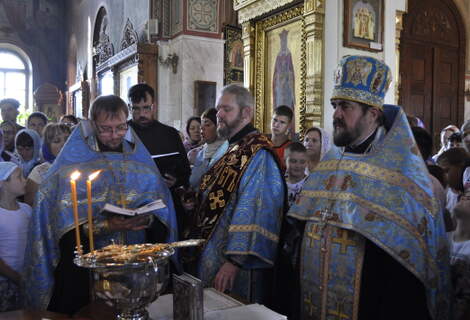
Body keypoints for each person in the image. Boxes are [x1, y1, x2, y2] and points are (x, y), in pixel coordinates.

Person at [286, 56, 450, 319]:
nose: (336, 114)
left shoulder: (403, 177)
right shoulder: (329, 165)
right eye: (335, 105)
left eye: (345, 107)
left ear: (372, 114)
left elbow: (408, 266)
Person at [23, 95, 178, 315]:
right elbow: (57, 225)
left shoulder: (140, 161)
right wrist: (107, 226)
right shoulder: (72, 166)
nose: (114, 135)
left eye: (121, 127)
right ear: (92, 124)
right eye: (106, 128)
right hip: (87, 272)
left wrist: (148, 218)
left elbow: (163, 211)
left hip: (136, 265)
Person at [183, 84, 285, 303]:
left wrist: (235, 261)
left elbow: (256, 211)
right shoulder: (231, 147)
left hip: (233, 266)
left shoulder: (258, 153)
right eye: (218, 108)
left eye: (226, 109)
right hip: (211, 252)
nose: (219, 114)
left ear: (246, 113)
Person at [127, 83, 191, 235]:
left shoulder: (170, 134)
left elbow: (186, 171)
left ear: (153, 107)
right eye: (136, 108)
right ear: (129, 108)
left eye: (146, 108)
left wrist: (176, 180)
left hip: (165, 204)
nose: (142, 114)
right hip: (132, 207)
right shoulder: (121, 134)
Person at [0, 162, 31, 312]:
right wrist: (16, 277)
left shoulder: (26, 210)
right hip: (5, 281)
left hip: (26, 276)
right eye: (19, 177)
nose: (25, 180)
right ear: (3, 183)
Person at [24, 123, 71, 206]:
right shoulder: (39, 172)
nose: (64, 144)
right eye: (56, 141)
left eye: (68, 140)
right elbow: (30, 204)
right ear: (48, 147)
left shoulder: (83, 166)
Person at [188, 108, 228, 188]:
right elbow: (193, 180)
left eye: (207, 125)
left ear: (218, 126)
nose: (202, 129)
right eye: (201, 126)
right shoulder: (198, 153)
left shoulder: (227, 150)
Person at [284, 142, 308, 208]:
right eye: (293, 161)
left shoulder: (311, 185)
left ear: (307, 163)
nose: (298, 166)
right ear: (284, 161)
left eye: (302, 162)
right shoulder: (279, 183)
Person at [270, 105, 293, 171]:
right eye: (275, 120)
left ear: (289, 126)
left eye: (282, 122)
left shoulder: (291, 149)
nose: (276, 125)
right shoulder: (262, 145)